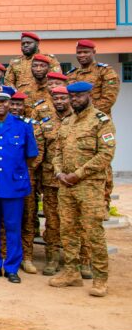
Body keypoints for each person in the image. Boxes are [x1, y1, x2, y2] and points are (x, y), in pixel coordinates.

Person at [49, 82, 116, 298]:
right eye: (72, 96)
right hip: (65, 186)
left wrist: (77, 174)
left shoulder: (101, 121)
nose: (74, 99)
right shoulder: (67, 122)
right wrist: (59, 172)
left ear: (89, 95)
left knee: (93, 233)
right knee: (67, 231)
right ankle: (71, 273)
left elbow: (105, 155)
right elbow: (57, 151)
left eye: (79, 96)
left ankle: (100, 279)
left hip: (89, 186)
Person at [0, 86, 39, 284]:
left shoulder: (23, 126)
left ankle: (11, 268)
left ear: (10, 103)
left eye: (3, 101)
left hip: (13, 184)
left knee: (13, 227)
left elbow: (31, 155)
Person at [67, 39, 120, 213]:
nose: (82, 55)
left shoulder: (105, 72)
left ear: (94, 52)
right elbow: (69, 100)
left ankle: (103, 203)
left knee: (101, 162)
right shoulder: (72, 75)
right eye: (79, 52)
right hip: (74, 122)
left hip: (97, 122)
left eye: (85, 52)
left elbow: (108, 98)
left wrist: (89, 115)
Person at [8, 91, 46, 275]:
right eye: (12, 104)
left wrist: (19, 168)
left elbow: (36, 154)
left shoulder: (31, 126)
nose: (15, 108)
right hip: (6, 179)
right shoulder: (2, 124)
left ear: (25, 107)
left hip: (27, 178)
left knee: (27, 219)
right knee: (6, 220)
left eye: (18, 105)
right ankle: (6, 255)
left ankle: (27, 257)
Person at [40, 86, 74, 276]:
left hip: (77, 180)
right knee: (52, 222)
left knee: (76, 222)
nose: (59, 101)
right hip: (51, 180)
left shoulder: (80, 120)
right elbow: (39, 152)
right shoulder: (46, 123)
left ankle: (79, 261)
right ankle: (52, 258)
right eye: (56, 98)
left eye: (63, 98)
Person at [22, 54, 54, 120]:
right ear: (31, 68)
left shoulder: (54, 89)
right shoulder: (23, 89)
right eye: (35, 66)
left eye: (42, 66)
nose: (38, 69)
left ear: (48, 68)